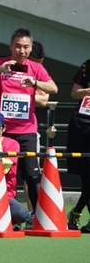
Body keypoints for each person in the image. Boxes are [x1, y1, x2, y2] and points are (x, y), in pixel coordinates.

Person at [0, 27, 57, 213]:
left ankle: (37, 216)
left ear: (30, 48)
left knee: (31, 174)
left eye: (26, 47)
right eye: (18, 46)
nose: (22, 51)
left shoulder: (36, 68)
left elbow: (53, 88)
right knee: (2, 172)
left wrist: (35, 82)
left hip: (27, 130)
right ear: (11, 46)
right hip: (3, 131)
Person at [66, 59, 90, 232]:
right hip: (82, 123)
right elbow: (75, 93)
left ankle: (76, 211)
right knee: (85, 172)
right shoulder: (87, 65)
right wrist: (88, 91)